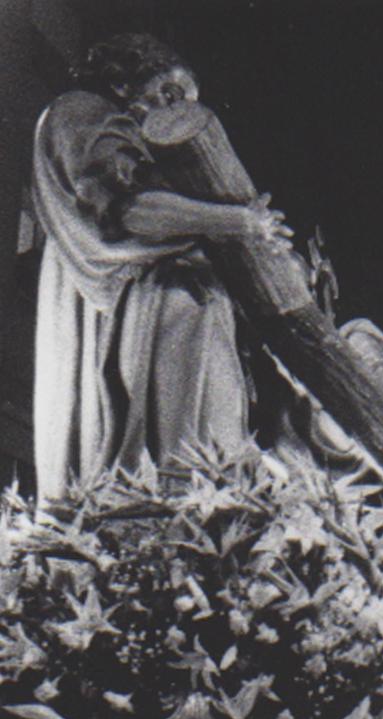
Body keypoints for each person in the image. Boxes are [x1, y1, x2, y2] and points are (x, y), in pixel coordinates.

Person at [30, 33, 292, 506]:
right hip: (128, 300)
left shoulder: (138, 141)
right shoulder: (81, 112)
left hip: (170, 302)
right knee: (156, 461)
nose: (177, 109)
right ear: (124, 80)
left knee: (209, 452)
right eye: (170, 92)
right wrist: (236, 221)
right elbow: (126, 209)